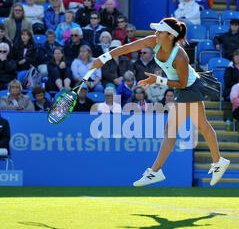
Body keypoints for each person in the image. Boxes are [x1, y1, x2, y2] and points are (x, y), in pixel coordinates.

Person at [90, 17, 230, 186]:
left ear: (170, 36)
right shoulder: (153, 41)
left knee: (175, 130)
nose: (156, 33)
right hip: (184, 87)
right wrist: (104, 58)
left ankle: (156, 171)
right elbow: (128, 47)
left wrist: (158, 80)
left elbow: (183, 83)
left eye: (160, 31)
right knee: (200, 125)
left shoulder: (180, 56)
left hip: (188, 87)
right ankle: (217, 161)